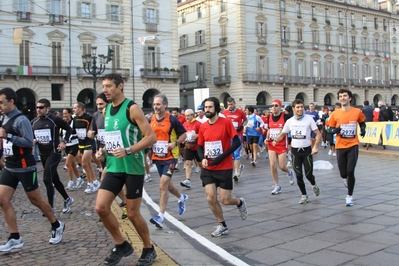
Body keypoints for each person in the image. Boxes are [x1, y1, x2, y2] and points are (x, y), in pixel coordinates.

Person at [95, 74, 158, 266]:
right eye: (103, 86)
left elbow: (151, 137)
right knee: (101, 208)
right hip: (114, 167)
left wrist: (128, 150)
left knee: (132, 213)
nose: (105, 90)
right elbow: (113, 139)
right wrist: (103, 151)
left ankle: (148, 248)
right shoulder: (106, 112)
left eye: (109, 86)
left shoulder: (133, 108)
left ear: (120, 86)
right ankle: (121, 244)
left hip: (133, 167)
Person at [0, 88, 65, 252]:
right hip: (10, 165)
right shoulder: (3, 118)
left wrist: (8, 137)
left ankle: (57, 225)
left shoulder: (21, 120)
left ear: (11, 101)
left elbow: (29, 142)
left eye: (1, 102)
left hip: (24, 166)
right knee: (2, 200)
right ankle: (15, 237)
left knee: (36, 200)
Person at [197, 97, 248, 237]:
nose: (207, 110)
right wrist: (202, 159)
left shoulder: (225, 122)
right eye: (205, 107)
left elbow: (237, 142)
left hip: (224, 166)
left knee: (225, 200)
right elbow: (200, 146)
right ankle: (222, 225)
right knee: (210, 198)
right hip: (209, 168)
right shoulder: (203, 126)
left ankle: (239, 202)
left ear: (216, 109)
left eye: (210, 107)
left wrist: (223, 156)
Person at [149, 94, 188, 229]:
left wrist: (175, 143)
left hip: (171, 157)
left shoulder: (172, 120)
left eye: (158, 104)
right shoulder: (151, 119)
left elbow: (184, 134)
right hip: (157, 157)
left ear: (165, 105)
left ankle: (160, 216)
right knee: (168, 186)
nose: (156, 106)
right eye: (154, 104)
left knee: (162, 184)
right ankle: (182, 197)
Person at [273, 99, 321, 204]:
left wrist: (315, 147)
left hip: (307, 151)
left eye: (301, 107)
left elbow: (318, 134)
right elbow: (283, 134)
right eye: (297, 107)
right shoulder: (290, 121)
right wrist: (276, 140)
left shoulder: (309, 119)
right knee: (299, 175)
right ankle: (304, 195)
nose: (300, 109)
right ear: (294, 108)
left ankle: (314, 184)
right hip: (295, 152)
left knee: (308, 175)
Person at [31, 99, 74, 213]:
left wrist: (64, 141)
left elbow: (69, 129)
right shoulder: (34, 122)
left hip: (54, 153)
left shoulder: (54, 120)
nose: (38, 110)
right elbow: (32, 136)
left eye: (41, 107)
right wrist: (33, 140)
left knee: (46, 179)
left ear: (47, 108)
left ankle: (50, 208)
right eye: (37, 107)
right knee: (55, 179)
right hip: (43, 155)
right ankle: (67, 198)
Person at [328, 88, 366, 207]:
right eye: (340, 96)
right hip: (340, 146)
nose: (342, 98)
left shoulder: (357, 111)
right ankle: (345, 179)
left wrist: (363, 129)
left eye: (345, 96)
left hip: (353, 144)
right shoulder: (335, 113)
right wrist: (334, 130)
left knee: (350, 171)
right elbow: (329, 129)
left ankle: (349, 196)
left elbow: (362, 122)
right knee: (343, 173)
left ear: (350, 98)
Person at [264, 99, 295, 195]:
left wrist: (282, 133)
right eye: (272, 105)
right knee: (272, 165)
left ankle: (289, 172)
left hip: (281, 143)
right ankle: (277, 185)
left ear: (280, 107)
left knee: (282, 166)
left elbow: (289, 129)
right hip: (271, 143)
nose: (274, 107)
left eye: (276, 105)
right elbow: (269, 129)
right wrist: (266, 138)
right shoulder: (269, 116)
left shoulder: (285, 116)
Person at [73, 102, 99, 193]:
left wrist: (93, 133)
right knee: (87, 164)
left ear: (80, 109)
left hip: (89, 143)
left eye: (75, 108)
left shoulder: (89, 118)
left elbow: (95, 128)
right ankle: (95, 181)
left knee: (84, 164)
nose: (73, 109)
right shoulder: (75, 119)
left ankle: (90, 184)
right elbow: (73, 131)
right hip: (80, 144)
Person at [222, 97, 247, 181]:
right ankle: (239, 166)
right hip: (228, 136)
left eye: (231, 104)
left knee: (236, 153)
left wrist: (242, 126)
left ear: (234, 103)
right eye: (228, 104)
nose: (230, 106)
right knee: (231, 154)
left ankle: (236, 173)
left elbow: (246, 120)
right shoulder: (224, 112)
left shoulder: (240, 112)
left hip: (237, 135)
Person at [61, 108, 83, 190]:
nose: (65, 115)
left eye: (66, 113)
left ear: (70, 114)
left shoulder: (74, 122)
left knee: (67, 163)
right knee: (72, 164)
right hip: (67, 145)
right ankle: (79, 178)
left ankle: (71, 182)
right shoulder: (63, 123)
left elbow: (78, 133)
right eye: (63, 114)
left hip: (74, 144)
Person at [180, 109, 202, 189]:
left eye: (188, 115)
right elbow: (183, 134)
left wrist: (197, 135)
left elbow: (204, 134)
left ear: (193, 115)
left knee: (200, 164)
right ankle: (187, 180)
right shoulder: (184, 124)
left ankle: (205, 177)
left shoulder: (198, 124)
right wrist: (182, 139)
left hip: (197, 147)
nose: (187, 117)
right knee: (188, 163)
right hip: (188, 146)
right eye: (185, 116)